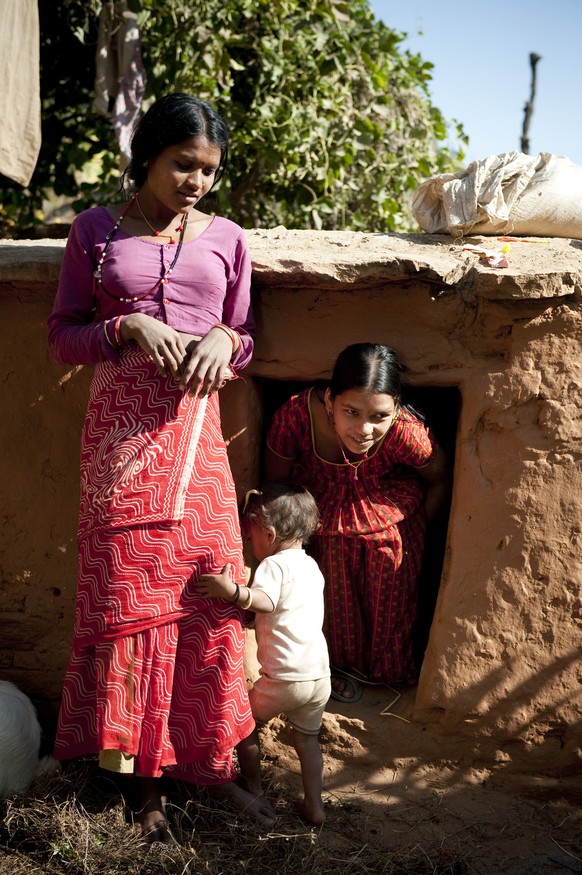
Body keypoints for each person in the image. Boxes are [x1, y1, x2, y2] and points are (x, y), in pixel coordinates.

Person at [47, 92, 275, 841]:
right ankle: (124, 777)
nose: (196, 183)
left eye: (208, 171)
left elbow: (243, 334)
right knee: (123, 608)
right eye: (183, 165)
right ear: (148, 154)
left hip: (196, 442)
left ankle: (185, 769)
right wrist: (127, 325)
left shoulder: (228, 240)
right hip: (118, 440)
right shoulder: (95, 232)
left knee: (202, 597)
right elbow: (63, 336)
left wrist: (223, 343)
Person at [264, 343, 450, 704]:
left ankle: (386, 675)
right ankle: (341, 668)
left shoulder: (405, 433)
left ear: (395, 408)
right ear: (330, 399)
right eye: (351, 411)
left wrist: (417, 533)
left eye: (379, 415)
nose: (364, 429)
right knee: (331, 575)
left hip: (390, 512)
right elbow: (276, 488)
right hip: (323, 516)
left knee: (390, 561)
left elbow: (439, 478)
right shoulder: (296, 417)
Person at [196, 483, 331, 825]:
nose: (249, 543)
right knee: (308, 740)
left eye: (251, 535)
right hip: (319, 677)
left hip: (286, 678)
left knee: (245, 723)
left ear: (269, 535)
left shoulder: (273, 566)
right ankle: (315, 805)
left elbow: (266, 602)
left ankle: (253, 785)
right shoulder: (311, 567)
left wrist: (232, 592)